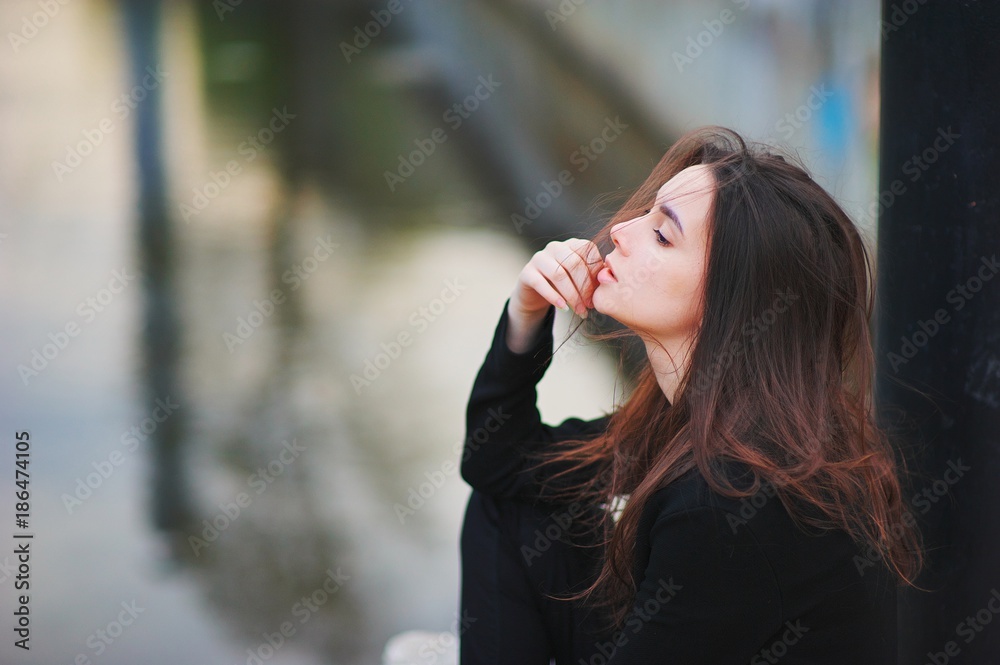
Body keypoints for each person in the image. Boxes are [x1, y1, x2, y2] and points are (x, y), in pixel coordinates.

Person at [457, 126, 923, 664]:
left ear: (733, 298)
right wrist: (526, 310)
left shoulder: (733, 496)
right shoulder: (702, 416)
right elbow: (498, 462)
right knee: (516, 511)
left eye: (662, 235)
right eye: (648, 214)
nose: (623, 231)